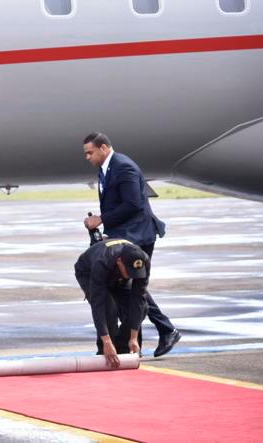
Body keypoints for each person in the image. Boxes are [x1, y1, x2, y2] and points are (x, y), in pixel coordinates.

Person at [82, 132, 181, 357]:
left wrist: (101, 219)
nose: (87, 157)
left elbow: (133, 204)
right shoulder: (106, 168)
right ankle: (160, 332)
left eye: (90, 152)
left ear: (103, 148)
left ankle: (155, 334)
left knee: (132, 286)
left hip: (139, 236)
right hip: (125, 234)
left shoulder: (123, 167)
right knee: (131, 286)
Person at [74, 238, 151, 367]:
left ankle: (123, 348)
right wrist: (107, 341)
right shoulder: (102, 261)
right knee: (108, 309)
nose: (132, 275)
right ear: (120, 261)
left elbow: (138, 299)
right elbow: (98, 305)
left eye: (135, 273)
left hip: (117, 273)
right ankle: (105, 351)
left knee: (142, 308)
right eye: (129, 271)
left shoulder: (143, 261)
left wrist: (133, 337)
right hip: (88, 272)